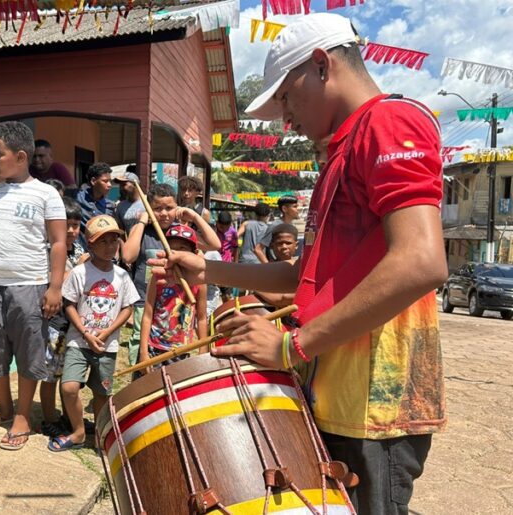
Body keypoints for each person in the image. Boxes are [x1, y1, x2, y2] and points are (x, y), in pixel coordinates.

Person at [153, 13, 446, 514]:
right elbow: (303, 278)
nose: (286, 118)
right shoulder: (341, 150)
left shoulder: (390, 121)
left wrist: (292, 346)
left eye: (286, 97)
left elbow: (421, 261)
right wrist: (209, 269)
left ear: (320, 65)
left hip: (378, 404)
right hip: (340, 393)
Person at [0, 121, 66, 450]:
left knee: (28, 353)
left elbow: (57, 243)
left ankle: (23, 414)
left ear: (21, 156)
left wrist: (55, 288)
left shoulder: (46, 194)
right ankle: (5, 406)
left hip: (30, 286)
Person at [49, 215, 138, 451]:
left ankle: (100, 435)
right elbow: (69, 304)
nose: (110, 246)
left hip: (106, 346)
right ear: (90, 244)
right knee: (69, 387)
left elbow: (128, 308)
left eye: (114, 241)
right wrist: (85, 333)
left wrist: (108, 332)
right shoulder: (80, 273)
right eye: (103, 241)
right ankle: (78, 432)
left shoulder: (122, 276)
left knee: (101, 393)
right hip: (79, 342)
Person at [122, 183, 220, 366]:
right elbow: (127, 255)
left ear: (178, 207)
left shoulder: (183, 233)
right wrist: (143, 221)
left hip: (179, 300)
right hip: (146, 300)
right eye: (157, 208)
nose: (164, 213)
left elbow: (215, 245)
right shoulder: (143, 231)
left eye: (169, 208)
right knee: (140, 350)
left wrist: (194, 217)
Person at [35, 197, 89, 438]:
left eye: (76, 225)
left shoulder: (79, 249)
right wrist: (78, 268)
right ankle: (49, 419)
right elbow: (50, 280)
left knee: (67, 374)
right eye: (67, 224)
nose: (71, 230)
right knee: (49, 375)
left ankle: (67, 417)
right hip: (54, 323)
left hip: (74, 322)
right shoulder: (47, 249)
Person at [139, 225, 207, 371]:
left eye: (183, 248)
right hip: (154, 348)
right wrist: (144, 352)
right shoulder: (158, 277)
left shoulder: (199, 283)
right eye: (171, 248)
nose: (176, 253)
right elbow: (147, 315)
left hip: (181, 351)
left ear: (194, 253)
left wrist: (203, 349)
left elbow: (201, 318)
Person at [254, 223, 299, 309]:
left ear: (296, 245)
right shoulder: (265, 272)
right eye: (280, 243)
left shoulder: (302, 269)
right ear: (272, 246)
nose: (284, 247)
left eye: (288, 243)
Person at [75, 162, 116, 236]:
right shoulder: (77, 198)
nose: (109, 185)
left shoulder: (110, 206)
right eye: (105, 181)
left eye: (110, 181)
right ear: (93, 181)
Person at [113, 167, 144, 235]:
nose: (121, 188)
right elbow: (121, 231)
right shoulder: (120, 206)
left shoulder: (147, 202)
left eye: (124, 184)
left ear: (135, 184)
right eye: (120, 185)